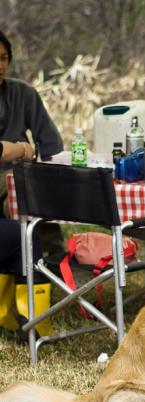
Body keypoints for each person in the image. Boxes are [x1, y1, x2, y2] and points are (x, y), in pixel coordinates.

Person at [0, 30, 58, 337]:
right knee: (25, 237)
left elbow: (52, 147)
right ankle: (32, 321)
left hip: (19, 189)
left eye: (3, 58)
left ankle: (19, 315)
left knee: (23, 230)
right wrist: (21, 149)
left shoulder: (21, 94)